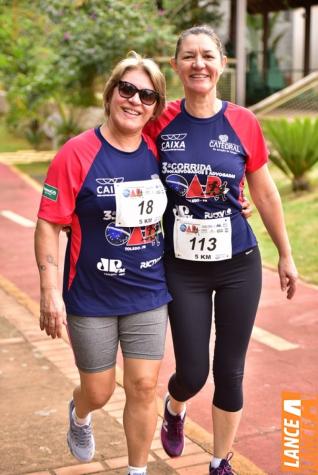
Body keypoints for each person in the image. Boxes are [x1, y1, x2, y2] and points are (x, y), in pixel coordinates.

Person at [144, 25, 298, 475]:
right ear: (175, 66)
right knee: (192, 371)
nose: (199, 64)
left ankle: (219, 461)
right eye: (188, 56)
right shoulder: (160, 120)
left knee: (230, 369)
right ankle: (174, 408)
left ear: (222, 64)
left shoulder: (242, 122)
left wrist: (285, 254)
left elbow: (265, 193)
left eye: (207, 56)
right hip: (181, 266)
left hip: (238, 264)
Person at [34, 52, 171, 475]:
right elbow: (47, 224)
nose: (135, 101)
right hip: (90, 296)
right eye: (127, 89)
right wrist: (49, 294)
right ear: (111, 94)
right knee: (99, 390)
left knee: (145, 387)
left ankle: (137, 471)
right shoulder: (76, 153)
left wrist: (235, 203)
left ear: (155, 106)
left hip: (148, 292)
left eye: (147, 95)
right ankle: (80, 413)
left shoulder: (157, 149)